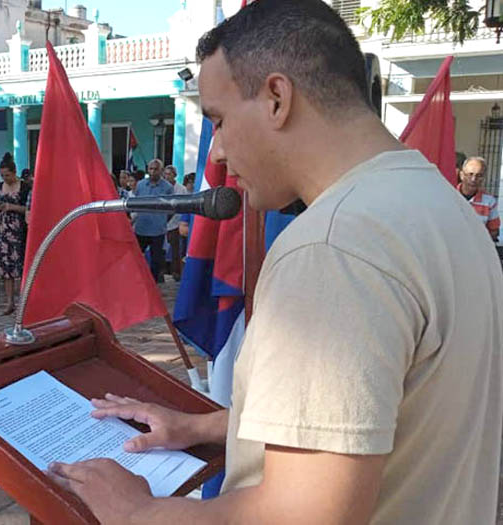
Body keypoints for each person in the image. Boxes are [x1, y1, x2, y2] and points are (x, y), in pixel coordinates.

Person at [47, 2, 503, 524]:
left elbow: (303, 513)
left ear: (277, 99)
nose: (215, 152)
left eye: (217, 120)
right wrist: (199, 427)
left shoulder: (332, 246)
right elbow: (379, 415)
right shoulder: (438, 203)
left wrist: (137, 512)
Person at [0, 153, 31, 315]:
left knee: (21, 268)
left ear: (14, 172)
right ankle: (10, 302)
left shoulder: (25, 187)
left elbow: (29, 209)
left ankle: (24, 301)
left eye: (7, 175)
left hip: (19, 232)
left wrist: (11, 207)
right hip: (2, 232)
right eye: (2, 175)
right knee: (5, 269)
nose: (5, 178)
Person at [132, 159, 173, 282]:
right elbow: (136, 204)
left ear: (161, 171)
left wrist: (162, 221)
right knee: (136, 257)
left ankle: (153, 283)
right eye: (150, 169)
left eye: (156, 169)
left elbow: (171, 209)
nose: (153, 172)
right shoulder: (140, 185)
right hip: (141, 228)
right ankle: (136, 281)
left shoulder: (168, 187)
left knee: (156, 260)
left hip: (157, 230)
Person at [457, 156, 499, 242]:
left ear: (484, 178)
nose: (473, 179)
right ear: (461, 175)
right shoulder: (450, 195)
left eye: (479, 175)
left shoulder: (489, 202)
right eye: (470, 174)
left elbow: (494, 231)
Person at [163, 165, 187, 281]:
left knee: (176, 249)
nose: (167, 176)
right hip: (161, 223)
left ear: (174, 175)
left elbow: (183, 206)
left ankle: (176, 272)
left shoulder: (181, 189)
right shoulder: (162, 187)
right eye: (166, 174)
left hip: (175, 223)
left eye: (169, 174)